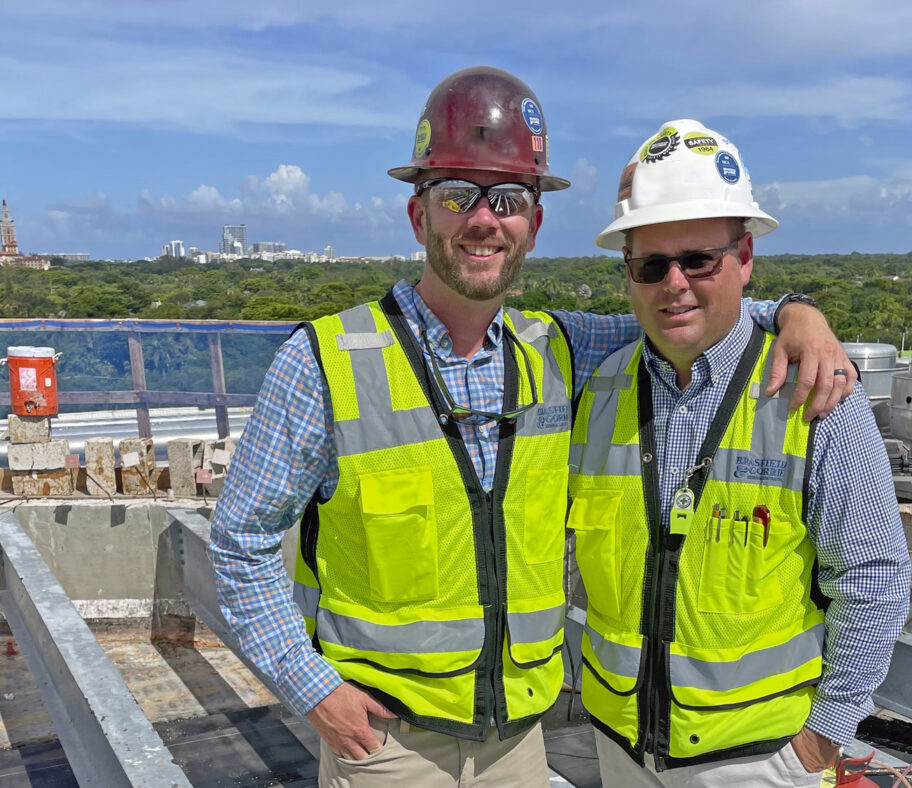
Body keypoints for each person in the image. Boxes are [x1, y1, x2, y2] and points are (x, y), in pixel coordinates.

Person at [209, 71, 854, 788]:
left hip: (520, 746)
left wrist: (797, 313)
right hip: (386, 746)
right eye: (458, 194)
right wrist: (311, 690)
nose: (485, 220)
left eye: (510, 199)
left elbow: (689, 311)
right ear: (419, 216)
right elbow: (240, 544)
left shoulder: (558, 349)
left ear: (534, 224)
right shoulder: (324, 365)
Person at [569, 118, 912, 787]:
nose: (675, 284)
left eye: (699, 259)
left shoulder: (814, 396)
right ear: (629, 273)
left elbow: (873, 576)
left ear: (745, 257)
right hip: (619, 750)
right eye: (650, 264)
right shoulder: (598, 387)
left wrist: (820, 742)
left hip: (759, 763)